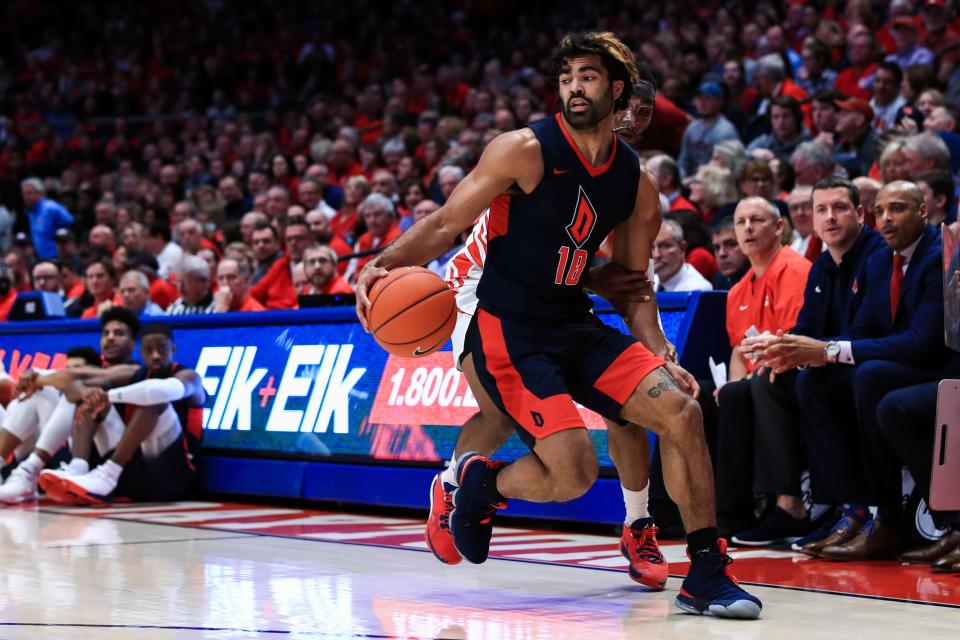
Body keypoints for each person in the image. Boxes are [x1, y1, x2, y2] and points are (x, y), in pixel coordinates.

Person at [355, 31, 761, 618]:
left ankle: (705, 571)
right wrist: (382, 265)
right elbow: (446, 223)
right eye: (567, 76)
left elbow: (632, 285)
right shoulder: (521, 150)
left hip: (574, 321)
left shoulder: (635, 182)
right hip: (508, 328)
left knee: (681, 409)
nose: (574, 85)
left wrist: (660, 352)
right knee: (570, 475)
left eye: (588, 76)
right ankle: (479, 486)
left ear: (616, 89)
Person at [751, 181, 959, 560]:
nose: (887, 219)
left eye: (897, 208)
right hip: (896, 367)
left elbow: (922, 342)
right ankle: (851, 509)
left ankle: (892, 517)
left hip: (937, 368)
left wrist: (827, 350)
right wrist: (805, 353)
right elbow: (861, 331)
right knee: (815, 380)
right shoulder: (880, 261)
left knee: (869, 377)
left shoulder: (939, 256)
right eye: (880, 211)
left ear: (924, 212)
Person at [730, 178, 885, 547]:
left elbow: (868, 330)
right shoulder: (820, 267)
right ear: (813, 221)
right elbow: (807, 329)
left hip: (865, 361)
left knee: (811, 384)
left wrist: (812, 352)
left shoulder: (877, 256)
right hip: (832, 361)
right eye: (821, 210)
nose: (830, 218)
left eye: (839, 208)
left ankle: (836, 508)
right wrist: (784, 352)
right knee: (769, 376)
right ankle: (776, 507)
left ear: (860, 213)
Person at [709, 197, 811, 537]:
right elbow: (739, 348)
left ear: (779, 227)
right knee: (723, 395)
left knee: (757, 385)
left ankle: (788, 505)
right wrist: (732, 383)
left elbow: (794, 339)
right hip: (758, 376)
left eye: (757, 220)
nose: (748, 228)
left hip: (795, 369)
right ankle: (729, 513)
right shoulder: (737, 289)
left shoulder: (794, 270)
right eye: (741, 222)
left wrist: (746, 381)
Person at [36, 322, 206, 504]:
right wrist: (40, 377)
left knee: (153, 400)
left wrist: (108, 396)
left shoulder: (190, 377)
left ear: (173, 349)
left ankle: (107, 475)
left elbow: (159, 391)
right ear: (141, 353)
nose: (155, 356)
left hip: (176, 475)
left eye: (161, 349)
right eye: (149, 350)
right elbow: (74, 385)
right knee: (90, 399)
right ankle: (78, 468)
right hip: (137, 473)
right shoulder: (137, 374)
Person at [0, 308, 139, 503]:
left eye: (119, 333)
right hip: (75, 448)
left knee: (78, 392)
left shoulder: (134, 370)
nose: (110, 338)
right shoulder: (95, 372)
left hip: (118, 458)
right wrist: (36, 377)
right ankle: (27, 471)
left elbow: (71, 383)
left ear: (133, 343)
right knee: (44, 392)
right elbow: (65, 379)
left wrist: (38, 376)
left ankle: (45, 467)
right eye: (106, 333)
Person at [0, 346, 101, 503]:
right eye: (66, 369)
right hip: (47, 457)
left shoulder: (100, 387)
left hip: (80, 459)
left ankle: (30, 471)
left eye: (76, 369)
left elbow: (65, 381)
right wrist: (32, 376)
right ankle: (26, 472)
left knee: (45, 389)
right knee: (34, 395)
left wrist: (34, 378)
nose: (69, 373)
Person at [677, 81, 739, 178]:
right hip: (689, 182)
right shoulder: (692, 127)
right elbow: (684, 160)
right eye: (699, 98)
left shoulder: (726, 131)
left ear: (719, 101)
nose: (702, 102)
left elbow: (723, 168)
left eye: (708, 98)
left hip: (714, 183)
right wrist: (681, 178)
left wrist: (692, 180)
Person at [249, 218, 313, 309]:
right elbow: (253, 294)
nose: (293, 243)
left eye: (298, 238)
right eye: (289, 239)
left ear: (311, 240)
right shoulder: (280, 265)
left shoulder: (319, 265)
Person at [22, 177, 74, 260]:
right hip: (40, 258)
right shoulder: (30, 211)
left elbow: (71, 225)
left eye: (29, 193)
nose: (26, 197)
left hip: (57, 257)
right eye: (24, 194)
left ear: (40, 193)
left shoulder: (52, 208)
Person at [652, 220, 712, 292]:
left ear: (682, 248)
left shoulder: (698, 289)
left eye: (665, 246)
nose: (656, 255)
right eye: (651, 247)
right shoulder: (648, 282)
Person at [710, 218, 749, 290]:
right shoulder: (720, 279)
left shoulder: (764, 277)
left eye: (731, 244)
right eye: (717, 248)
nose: (722, 254)